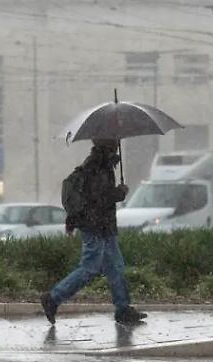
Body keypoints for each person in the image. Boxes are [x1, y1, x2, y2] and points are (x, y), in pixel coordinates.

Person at [41, 138, 146, 325]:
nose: (117, 145)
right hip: (95, 226)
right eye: (114, 142)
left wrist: (115, 193)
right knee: (90, 267)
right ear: (107, 146)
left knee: (115, 267)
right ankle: (53, 298)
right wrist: (117, 194)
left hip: (104, 226)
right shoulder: (95, 166)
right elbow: (97, 199)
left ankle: (123, 309)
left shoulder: (104, 165)